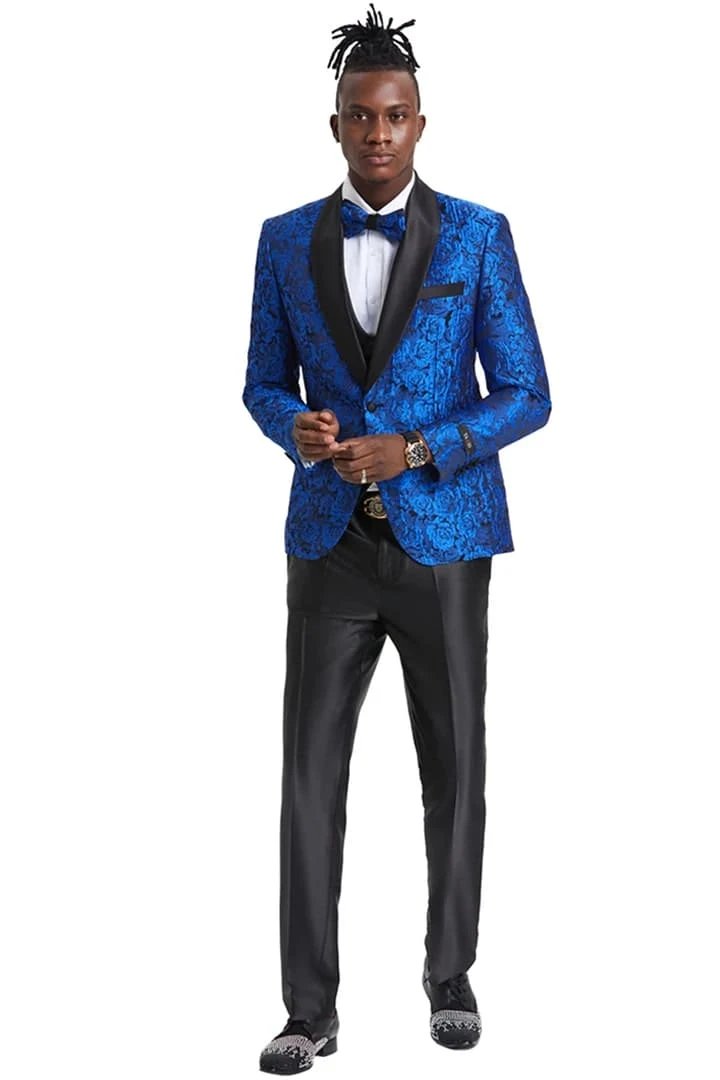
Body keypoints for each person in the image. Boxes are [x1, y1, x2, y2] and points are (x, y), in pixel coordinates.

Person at [243, 5, 551, 1072]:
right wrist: (294, 426)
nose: (378, 133)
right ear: (335, 125)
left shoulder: (477, 234)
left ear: (421, 123)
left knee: (454, 767)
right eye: (360, 116)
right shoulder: (284, 240)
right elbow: (260, 382)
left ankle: (450, 976)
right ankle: (308, 1011)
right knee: (307, 775)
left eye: (395, 116)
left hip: (446, 541)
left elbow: (528, 393)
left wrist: (417, 448)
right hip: (329, 542)